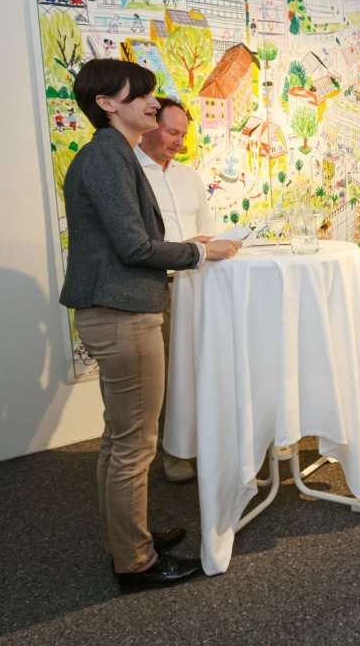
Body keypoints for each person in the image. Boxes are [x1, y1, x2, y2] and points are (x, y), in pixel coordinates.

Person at [60, 59, 241, 593]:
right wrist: (200, 253)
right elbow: (134, 247)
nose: (153, 104)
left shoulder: (112, 155)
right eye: (140, 95)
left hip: (118, 309)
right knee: (135, 444)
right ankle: (135, 561)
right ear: (107, 104)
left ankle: (127, 537)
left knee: (121, 439)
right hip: (123, 313)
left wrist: (187, 248)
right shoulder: (106, 157)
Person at [136, 98, 215, 484]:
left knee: (201, 366)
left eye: (183, 134)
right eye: (172, 132)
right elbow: (135, 242)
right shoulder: (130, 173)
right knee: (167, 375)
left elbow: (206, 227)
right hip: (157, 286)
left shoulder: (189, 177)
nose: (180, 141)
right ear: (150, 126)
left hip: (197, 284)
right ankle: (173, 453)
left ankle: (204, 442)